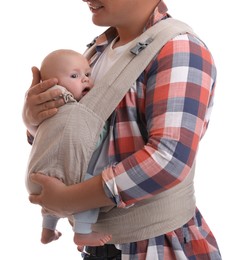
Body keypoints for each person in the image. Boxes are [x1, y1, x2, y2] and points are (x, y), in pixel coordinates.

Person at [22, 0, 222, 259]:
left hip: (153, 245)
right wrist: (32, 123)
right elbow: (84, 136)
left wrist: (69, 200)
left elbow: (168, 158)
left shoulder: (179, 49)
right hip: (99, 246)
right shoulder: (98, 51)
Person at [25, 49, 111, 250]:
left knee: (51, 203)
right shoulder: (72, 109)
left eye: (88, 75)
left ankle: (48, 230)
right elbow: (90, 139)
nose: (84, 80)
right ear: (53, 84)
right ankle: (83, 233)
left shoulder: (46, 111)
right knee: (90, 188)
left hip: (36, 179)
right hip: (63, 179)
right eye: (74, 76)